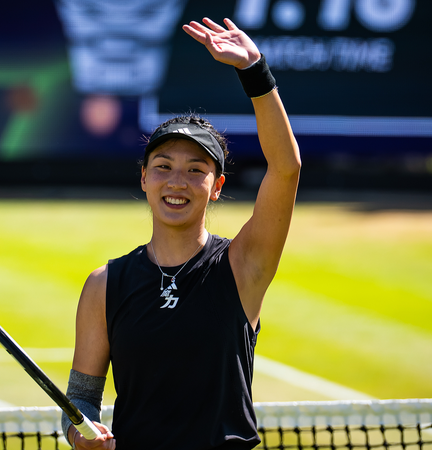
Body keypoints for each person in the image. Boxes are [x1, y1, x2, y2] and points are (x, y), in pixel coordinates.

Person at [61, 17, 302, 450]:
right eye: (164, 168)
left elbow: (286, 169)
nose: (177, 182)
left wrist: (254, 72)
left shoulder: (243, 265)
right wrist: (81, 432)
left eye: (196, 171)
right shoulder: (105, 285)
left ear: (217, 187)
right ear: (144, 179)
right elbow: (81, 399)